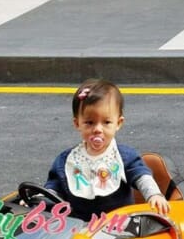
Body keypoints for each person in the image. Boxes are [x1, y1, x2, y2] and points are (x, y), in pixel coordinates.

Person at [44, 78, 170, 222]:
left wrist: (154, 195)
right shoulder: (66, 160)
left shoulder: (125, 156)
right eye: (89, 122)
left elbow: (142, 177)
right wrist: (39, 199)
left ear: (118, 123)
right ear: (77, 123)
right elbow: (53, 189)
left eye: (106, 122)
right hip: (79, 228)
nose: (98, 129)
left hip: (119, 226)